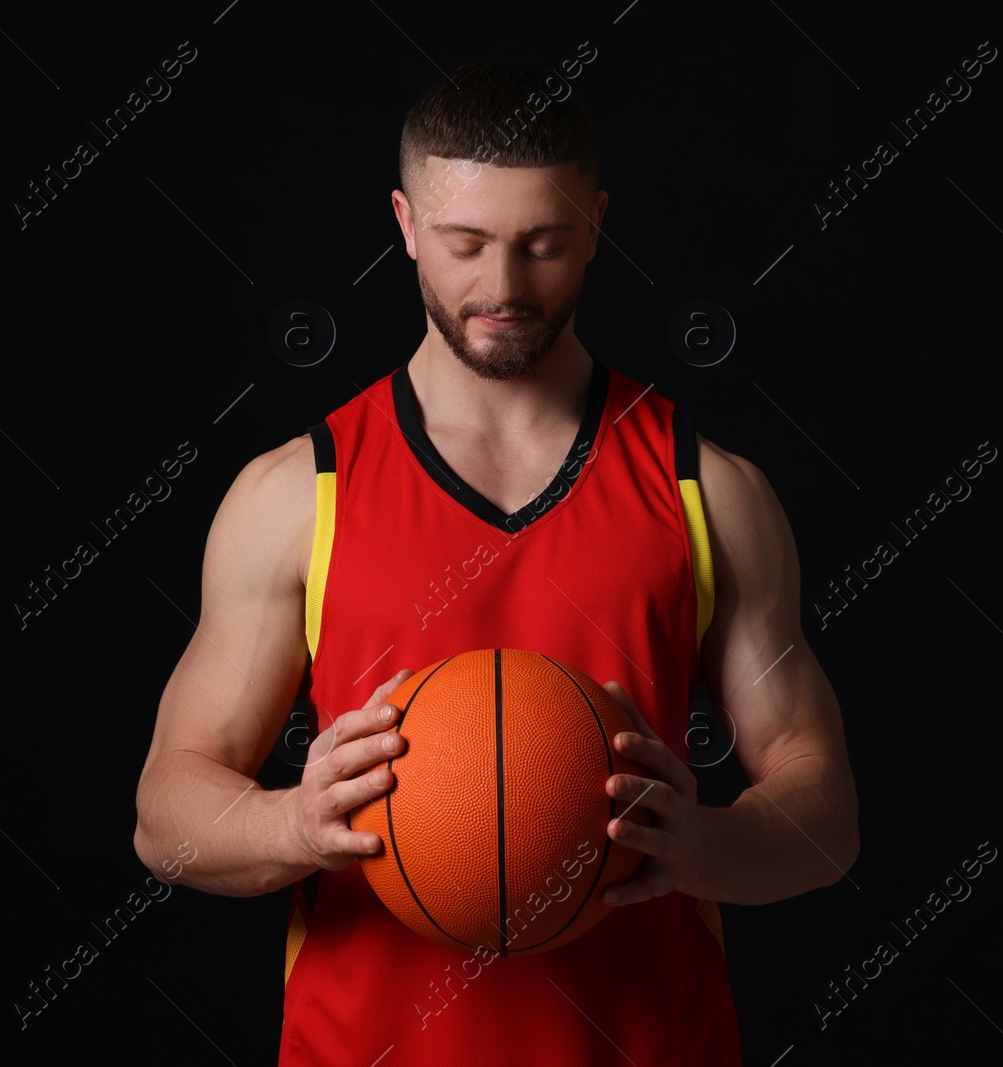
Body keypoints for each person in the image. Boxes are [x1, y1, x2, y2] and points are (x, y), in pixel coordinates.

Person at [132, 60, 859, 1065]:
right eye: (465, 244)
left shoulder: (705, 488)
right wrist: (293, 823)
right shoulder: (298, 493)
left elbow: (825, 814)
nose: (501, 288)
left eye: (542, 243)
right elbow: (164, 814)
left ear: (596, 223)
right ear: (405, 222)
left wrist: (708, 844)